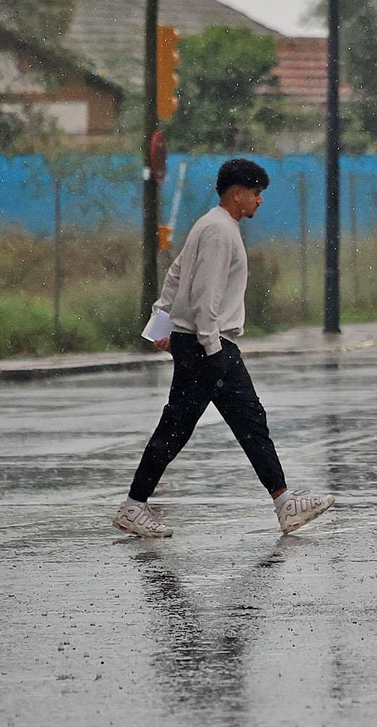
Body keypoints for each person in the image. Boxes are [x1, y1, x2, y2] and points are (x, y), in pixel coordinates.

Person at [114, 159, 335, 538]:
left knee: (249, 421)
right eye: (256, 193)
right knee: (179, 426)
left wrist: (163, 324)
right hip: (209, 346)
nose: (260, 200)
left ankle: (285, 503)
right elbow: (206, 293)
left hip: (205, 342)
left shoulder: (211, 224)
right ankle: (134, 506)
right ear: (237, 193)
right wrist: (209, 344)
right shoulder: (219, 231)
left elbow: (176, 274)